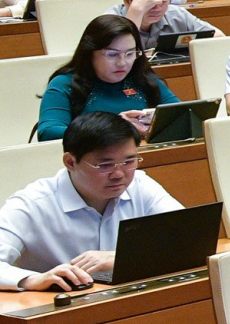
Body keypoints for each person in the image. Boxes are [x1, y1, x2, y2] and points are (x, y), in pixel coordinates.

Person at [0, 112, 184, 291]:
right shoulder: (31, 204)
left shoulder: (140, 184)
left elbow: (188, 236)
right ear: (70, 162)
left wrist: (120, 258)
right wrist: (31, 280)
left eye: (129, 162)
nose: (119, 174)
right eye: (105, 165)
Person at [36, 15, 181, 141]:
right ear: (89, 52)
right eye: (112, 54)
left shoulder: (144, 79)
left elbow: (183, 115)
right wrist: (115, 127)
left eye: (130, 54)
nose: (122, 62)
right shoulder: (64, 84)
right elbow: (48, 132)